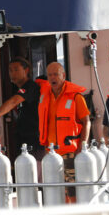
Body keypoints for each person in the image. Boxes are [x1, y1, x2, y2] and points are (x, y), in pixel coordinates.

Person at [38, 62, 91, 200]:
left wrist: (83, 146)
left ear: (64, 75)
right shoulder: (45, 96)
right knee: (55, 192)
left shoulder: (75, 97)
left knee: (73, 191)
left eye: (56, 74)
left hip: (71, 153)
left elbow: (87, 122)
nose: (52, 77)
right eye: (50, 75)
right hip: (51, 153)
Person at [0, 57, 42, 159]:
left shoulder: (30, 87)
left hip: (34, 141)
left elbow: (13, 102)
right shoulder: (19, 89)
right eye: (10, 70)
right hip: (23, 140)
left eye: (16, 70)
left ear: (26, 70)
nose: (12, 73)